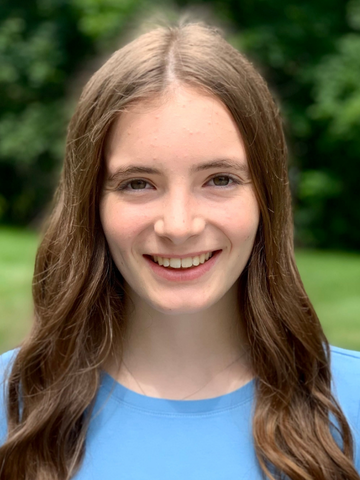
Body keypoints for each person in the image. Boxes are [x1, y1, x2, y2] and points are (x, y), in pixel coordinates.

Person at [0, 20, 359, 480]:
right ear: (91, 203)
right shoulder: (15, 409)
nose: (179, 226)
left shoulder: (351, 406)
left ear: (266, 195)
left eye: (220, 180)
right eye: (138, 184)